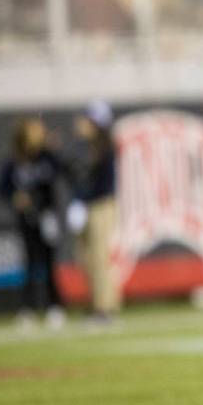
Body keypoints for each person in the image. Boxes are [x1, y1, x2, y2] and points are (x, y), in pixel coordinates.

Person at [0, 117, 65, 329]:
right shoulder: (15, 160)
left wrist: (54, 151)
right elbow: (1, 188)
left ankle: (55, 306)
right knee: (29, 262)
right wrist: (15, 197)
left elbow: (62, 171)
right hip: (27, 218)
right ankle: (28, 308)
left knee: (49, 262)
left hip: (46, 217)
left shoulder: (46, 157)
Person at [67, 100, 119, 324]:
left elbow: (98, 183)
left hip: (100, 205)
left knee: (99, 258)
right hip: (86, 205)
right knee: (85, 258)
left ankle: (105, 307)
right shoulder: (84, 147)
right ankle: (96, 303)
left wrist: (81, 199)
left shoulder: (105, 148)